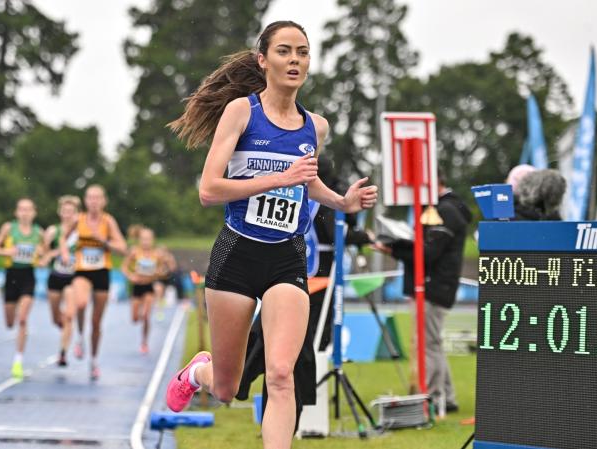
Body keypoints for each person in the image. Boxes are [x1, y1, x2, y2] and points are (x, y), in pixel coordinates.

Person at [165, 21, 378, 449]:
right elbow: (209, 189)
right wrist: (278, 177)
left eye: (302, 52)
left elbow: (307, 183)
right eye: (284, 51)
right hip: (237, 253)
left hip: (287, 257)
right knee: (227, 388)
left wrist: (342, 202)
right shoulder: (242, 113)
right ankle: (197, 373)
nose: (294, 60)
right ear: (263, 60)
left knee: (281, 373)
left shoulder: (315, 127)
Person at [236, 156, 379, 428]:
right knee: (301, 343)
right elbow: (335, 232)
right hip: (310, 276)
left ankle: (251, 382)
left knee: (279, 344)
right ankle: (243, 379)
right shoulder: (314, 199)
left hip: (294, 273)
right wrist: (362, 236)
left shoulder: (307, 195)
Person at [376, 176, 471, 414]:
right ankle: (446, 398)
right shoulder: (445, 207)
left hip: (434, 285)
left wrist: (394, 249)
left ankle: (430, 397)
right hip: (436, 285)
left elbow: (429, 253)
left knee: (428, 344)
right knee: (433, 342)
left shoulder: (445, 210)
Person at [60, 184, 127, 380]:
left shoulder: (108, 221)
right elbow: (62, 238)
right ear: (85, 201)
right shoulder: (78, 219)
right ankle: (80, 338)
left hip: (102, 272)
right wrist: (64, 253)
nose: (94, 201)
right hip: (82, 270)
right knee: (80, 303)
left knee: (96, 323)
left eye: (98, 198)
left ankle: (94, 361)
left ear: (104, 201)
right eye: (90, 198)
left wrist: (103, 240)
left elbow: (122, 248)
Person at [0, 198, 43, 379]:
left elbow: (46, 253)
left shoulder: (38, 232)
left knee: (22, 319)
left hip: (28, 276)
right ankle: (14, 327)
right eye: (21, 209)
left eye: (28, 209)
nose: (25, 213)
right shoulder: (8, 228)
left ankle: (18, 361)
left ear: (34, 212)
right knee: (10, 322)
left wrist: (42, 256)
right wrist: (7, 252)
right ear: (16, 212)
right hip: (11, 276)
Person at [40, 195, 81, 367]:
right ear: (59, 212)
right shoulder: (52, 231)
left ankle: (62, 353)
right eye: (65, 211)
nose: (68, 215)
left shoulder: (81, 232)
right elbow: (43, 252)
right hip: (55, 277)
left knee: (69, 316)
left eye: (71, 212)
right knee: (57, 319)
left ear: (76, 213)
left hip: (73, 278)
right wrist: (52, 254)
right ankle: (65, 330)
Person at [121, 225, 161, 354]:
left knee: (146, 316)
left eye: (148, 239)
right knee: (135, 319)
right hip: (137, 287)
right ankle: (138, 314)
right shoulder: (134, 252)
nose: (146, 242)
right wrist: (131, 276)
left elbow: (163, 270)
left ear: (153, 240)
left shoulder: (157, 253)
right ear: (139, 240)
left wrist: (157, 273)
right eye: (143, 239)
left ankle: (144, 342)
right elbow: (124, 268)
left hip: (149, 287)